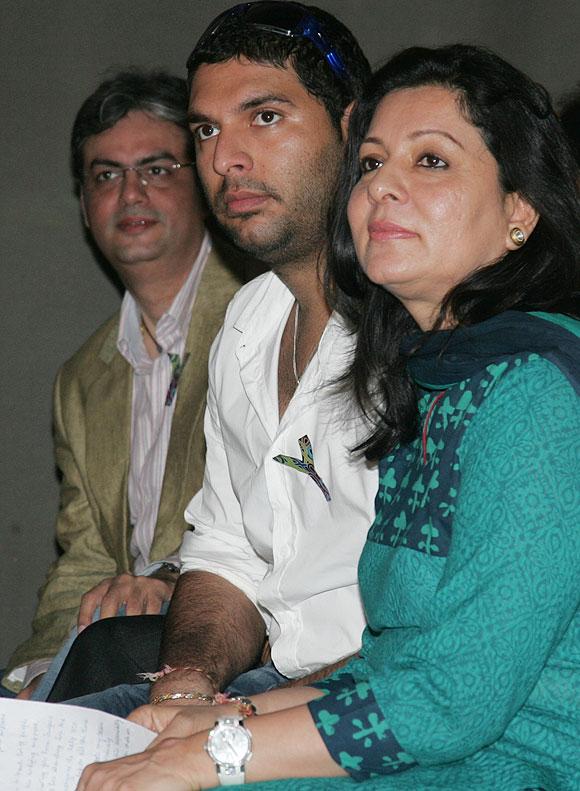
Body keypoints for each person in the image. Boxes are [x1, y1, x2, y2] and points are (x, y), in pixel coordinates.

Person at [79, 43, 579, 790]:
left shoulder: (532, 389)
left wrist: (210, 755)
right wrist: (217, 719)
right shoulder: (438, 381)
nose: (386, 189)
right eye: (372, 164)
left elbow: (451, 700)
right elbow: (389, 663)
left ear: (520, 210)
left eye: (432, 162)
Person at [44, 0, 375, 713]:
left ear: (351, 127)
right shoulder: (249, 323)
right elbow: (224, 554)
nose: (225, 158)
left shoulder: (421, 321)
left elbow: (442, 642)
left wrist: (250, 721)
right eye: (206, 129)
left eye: (264, 116)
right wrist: (189, 682)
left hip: (373, 698)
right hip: (267, 683)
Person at [1, 70, 246, 700]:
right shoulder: (81, 381)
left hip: (231, 640)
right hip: (113, 654)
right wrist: (29, 680)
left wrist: (168, 579)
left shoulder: (264, 315)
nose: (130, 193)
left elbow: (274, 515)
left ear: (207, 183)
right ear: (85, 207)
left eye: (158, 168)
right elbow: (81, 565)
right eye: (106, 175)